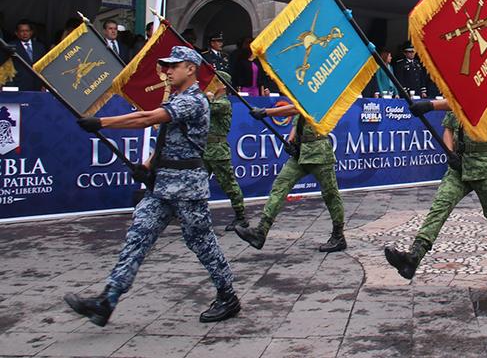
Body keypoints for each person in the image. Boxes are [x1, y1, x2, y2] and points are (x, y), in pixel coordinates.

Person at [66, 46, 240, 326]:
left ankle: (227, 295)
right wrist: (147, 166)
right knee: (138, 235)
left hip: (187, 188)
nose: (167, 71)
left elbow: (147, 118)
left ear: (191, 69)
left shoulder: (193, 101)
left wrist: (101, 122)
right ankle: (107, 300)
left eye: (173, 66)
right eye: (166, 66)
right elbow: (168, 140)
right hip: (162, 186)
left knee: (201, 242)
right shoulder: (178, 98)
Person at [384, 99, 487, 288]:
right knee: (440, 206)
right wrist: (450, 153)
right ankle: (413, 257)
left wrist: (430, 105)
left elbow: (470, 104)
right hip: (459, 167)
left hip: (485, 165)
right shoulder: (457, 94)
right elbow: (448, 128)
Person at [235, 104, 346, 253]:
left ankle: (338, 236)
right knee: (280, 186)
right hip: (300, 152)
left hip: (319, 151)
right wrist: (291, 140)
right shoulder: (304, 96)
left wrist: (266, 112)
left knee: (330, 194)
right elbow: (297, 120)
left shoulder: (320, 97)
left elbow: (298, 109)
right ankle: (260, 231)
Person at [204, 71, 248, 231]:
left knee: (228, 184)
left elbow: (206, 108)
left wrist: (205, 96)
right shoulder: (214, 100)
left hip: (217, 150)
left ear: (223, 85)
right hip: (204, 149)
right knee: (197, 182)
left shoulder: (223, 103)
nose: (211, 83)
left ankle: (241, 216)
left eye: (215, 81)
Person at [9, 20, 46, 91]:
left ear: (31, 32)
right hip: (19, 85)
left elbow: (44, 67)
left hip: (38, 86)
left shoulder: (40, 46)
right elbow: (7, 69)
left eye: (27, 31)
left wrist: (44, 85)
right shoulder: (11, 47)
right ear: (16, 33)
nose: (25, 33)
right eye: (22, 31)